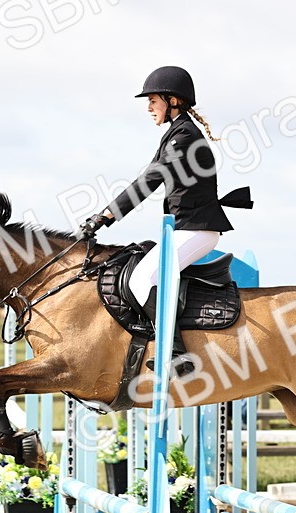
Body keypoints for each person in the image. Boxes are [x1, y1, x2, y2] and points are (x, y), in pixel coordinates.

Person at [80, 65, 252, 375]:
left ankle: (176, 354)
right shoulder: (177, 134)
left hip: (197, 230)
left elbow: (148, 181)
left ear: (173, 100)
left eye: (153, 101)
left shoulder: (183, 136)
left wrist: (104, 217)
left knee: (142, 279)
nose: (148, 108)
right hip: (190, 229)